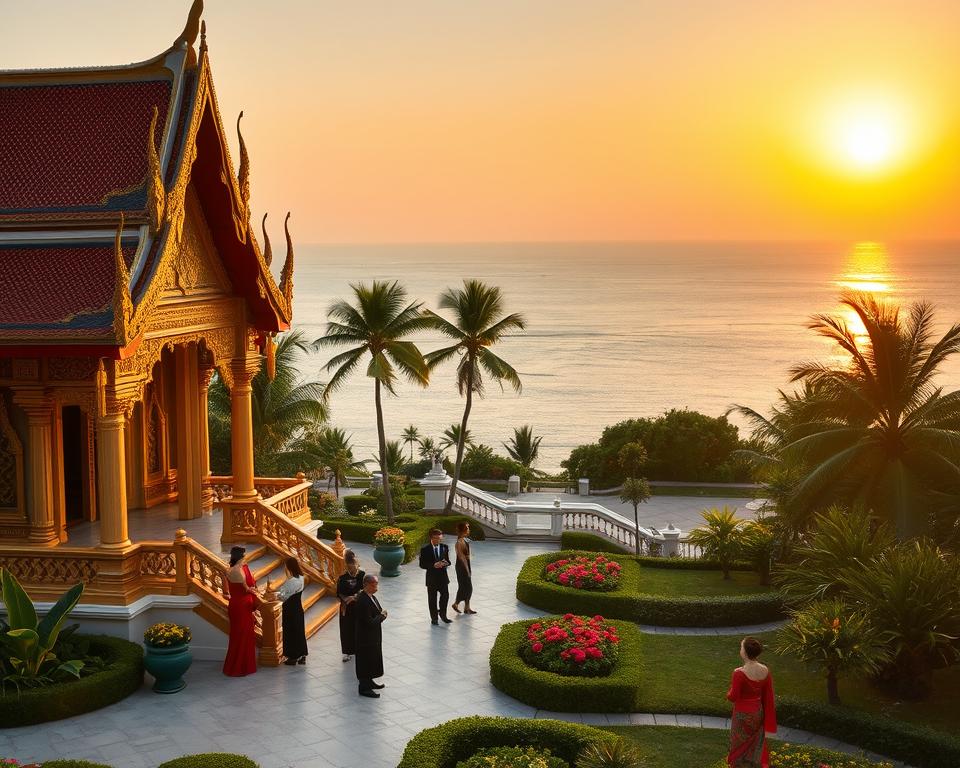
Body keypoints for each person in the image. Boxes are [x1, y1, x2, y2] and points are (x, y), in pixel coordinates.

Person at [726, 636, 777, 767]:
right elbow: (767, 693)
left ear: (744, 652)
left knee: (739, 743)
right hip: (758, 712)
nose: (740, 650)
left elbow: (733, 697)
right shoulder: (765, 670)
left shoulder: (738, 673)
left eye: (741, 647)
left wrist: (729, 691)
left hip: (742, 714)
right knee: (754, 742)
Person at [223, 545, 260, 677]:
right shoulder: (238, 571)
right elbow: (247, 589)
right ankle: (241, 667)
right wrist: (254, 591)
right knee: (243, 636)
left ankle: (235, 666)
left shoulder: (229, 570)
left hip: (236, 605)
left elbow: (227, 591)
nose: (245, 557)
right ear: (241, 557)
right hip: (242, 606)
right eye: (244, 555)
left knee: (238, 636)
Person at [355, 573, 387, 698]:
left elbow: (378, 611)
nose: (376, 587)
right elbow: (369, 622)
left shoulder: (371, 597)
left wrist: (381, 615)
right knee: (366, 662)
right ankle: (364, 688)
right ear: (366, 585)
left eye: (377, 584)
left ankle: (369, 682)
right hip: (365, 638)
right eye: (374, 585)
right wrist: (382, 616)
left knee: (372, 660)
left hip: (372, 637)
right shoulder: (362, 600)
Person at [274, 557, 307, 666]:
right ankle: (302, 655)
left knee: (290, 632)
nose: (285, 568)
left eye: (286, 566)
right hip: (298, 608)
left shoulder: (291, 581)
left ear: (289, 567)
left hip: (290, 609)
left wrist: (275, 595)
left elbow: (283, 596)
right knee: (299, 631)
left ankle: (293, 657)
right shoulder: (301, 577)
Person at [337, 550, 365, 662]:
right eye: (349, 566)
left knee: (360, 628)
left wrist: (355, 597)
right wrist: (346, 600)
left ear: (356, 564)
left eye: (353, 565)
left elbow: (365, 590)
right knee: (346, 629)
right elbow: (339, 592)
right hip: (347, 607)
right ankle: (347, 652)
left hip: (359, 605)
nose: (351, 569)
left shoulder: (362, 575)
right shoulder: (342, 577)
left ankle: (360, 649)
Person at [418, 528, 452, 625]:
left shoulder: (445, 547)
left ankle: (443, 615)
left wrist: (445, 563)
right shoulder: (425, 549)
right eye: (436, 538)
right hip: (431, 579)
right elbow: (422, 564)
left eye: (440, 538)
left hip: (443, 578)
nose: (438, 540)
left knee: (445, 597)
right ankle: (434, 618)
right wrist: (433, 565)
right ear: (431, 538)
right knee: (432, 599)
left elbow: (448, 561)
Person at [451, 521, 476, 615]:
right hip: (462, 567)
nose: (469, 529)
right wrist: (467, 570)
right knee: (467, 587)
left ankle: (466, 607)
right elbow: (462, 558)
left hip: (465, 565)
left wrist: (469, 556)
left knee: (465, 587)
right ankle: (457, 604)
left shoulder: (465, 540)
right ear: (464, 530)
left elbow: (469, 554)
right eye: (467, 528)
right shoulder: (459, 542)